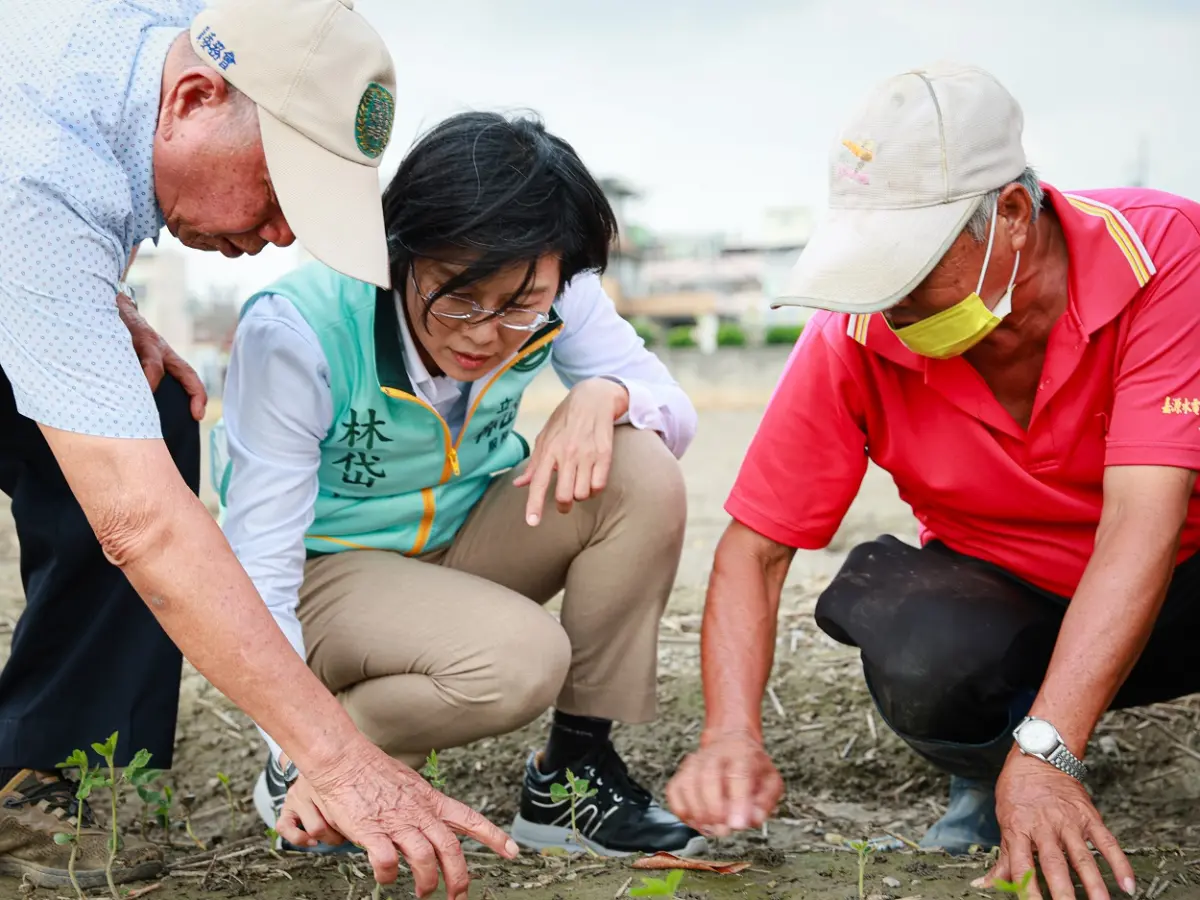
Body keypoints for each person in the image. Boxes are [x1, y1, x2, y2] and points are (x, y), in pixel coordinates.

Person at [0, 1, 519, 896]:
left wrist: (100, 304)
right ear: (194, 100)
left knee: (152, 407)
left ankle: (59, 774)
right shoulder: (38, 177)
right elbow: (141, 524)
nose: (282, 234)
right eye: (278, 196)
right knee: (132, 487)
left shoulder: (183, 34)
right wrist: (339, 758)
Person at [666, 60, 1200, 900]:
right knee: (919, 643)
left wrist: (1052, 747)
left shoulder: (1163, 254)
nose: (890, 302)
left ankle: (1041, 756)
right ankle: (996, 772)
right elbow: (755, 550)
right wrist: (729, 732)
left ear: (1012, 216)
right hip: (1012, 606)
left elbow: (1144, 522)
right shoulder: (855, 332)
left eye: (911, 266)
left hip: (1175, 589)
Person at [213, 110, 706, 860]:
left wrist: (605, 395)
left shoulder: (553, 286)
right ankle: (317, 770)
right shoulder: (298, 332)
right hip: (328, 576)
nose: (483, 332)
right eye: (457, 295)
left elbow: (670, 406)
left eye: (517, 306)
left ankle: (574, 785)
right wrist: (301, 745)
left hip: (460, 542)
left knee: (639, 467)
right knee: (523, 661)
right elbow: (260, 563)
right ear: (401, 251)